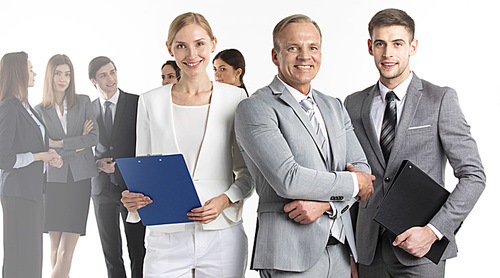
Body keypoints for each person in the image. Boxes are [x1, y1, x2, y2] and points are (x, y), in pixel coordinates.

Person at [344, 8, 485, 278]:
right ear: (370, 47)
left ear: (413, 47)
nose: (388, 53)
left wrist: (433, 231)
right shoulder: (353, 104)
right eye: (380, 44)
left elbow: (474, 176)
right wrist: (350, 249)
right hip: (368, 251)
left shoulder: (440, 100)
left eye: (397, 43)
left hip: (420, 250)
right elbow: (350, 177)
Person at [234, 14, 375, 277]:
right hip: (289, 255)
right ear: (275, 56)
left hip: (342, 252)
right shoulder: (255, 108)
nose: (304, 56)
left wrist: (327, 205)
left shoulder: (334, 105)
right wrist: (354, 184)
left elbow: (362, 167)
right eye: (293, 48)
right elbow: (289, 179)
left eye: (312, 47)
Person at [121, 12, 253, 278]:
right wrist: (131, 199)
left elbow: (248, 175)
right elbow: (143, 170)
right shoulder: (150, 102)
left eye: (199, 44)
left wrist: (225, 200)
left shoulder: (236, 98)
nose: (192, 54)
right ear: (169, 48)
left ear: (213, 43)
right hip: (165, 237)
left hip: (222, 234)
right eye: (181, 45)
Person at [34, 54, 98, 278]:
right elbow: (44, 146)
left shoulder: (84, 102)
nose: (63, 79)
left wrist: (59, 144)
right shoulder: (39, 110)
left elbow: (92, 139)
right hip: (52, 180)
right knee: (54, 249)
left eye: (67, 74)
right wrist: (76, 142)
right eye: (58, 73)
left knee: (65, 252)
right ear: (49, 76)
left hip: (80, 180)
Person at [0, 51, 62, 277]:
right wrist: (40, 156)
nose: (35, 73)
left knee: (33, 258)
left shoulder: (28, 108)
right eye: (30, 69)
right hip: (17, 193)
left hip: (33, 191)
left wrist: (49, 156)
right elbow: (3, 158)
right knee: (20, 258)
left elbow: (33, 146)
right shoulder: (8, 107)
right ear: (18, 73)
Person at [88, 56, 146, 278]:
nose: (110, 78)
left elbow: (144, 143)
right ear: (93, 80)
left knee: (137, 249)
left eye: (112, 72)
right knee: (110, 252)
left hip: (130, 187)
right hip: (101, 189)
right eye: (103, 75)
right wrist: (96, 163)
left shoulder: (136, 103)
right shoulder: (88, 109)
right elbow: (81, 150)